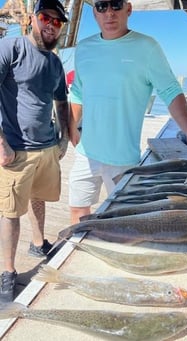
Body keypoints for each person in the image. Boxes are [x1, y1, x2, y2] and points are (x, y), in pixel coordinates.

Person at [69, 0, 187, 224]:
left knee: (123, 218)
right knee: (78, 212)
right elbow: (77, 92)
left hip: (123, 158)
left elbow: (171, 91)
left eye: (116, 5)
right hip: (85, 153)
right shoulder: (84, 48)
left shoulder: (147, 47)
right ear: (94, 13)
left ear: (129, 9)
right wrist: (71, 128)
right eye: (102, 6)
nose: (109, 13)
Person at [0, 0, 69, 303]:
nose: (51, 25)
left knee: (39, 198)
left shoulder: (55, 62)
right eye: (46, 18)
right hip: (16, 150)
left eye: (58, 21)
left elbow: (61, 101)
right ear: (32, 19)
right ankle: (8, 271)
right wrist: (1, 143)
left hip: (47, 147)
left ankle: (39, 242)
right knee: (11, 212)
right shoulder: (11, 48)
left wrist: (65, 135)